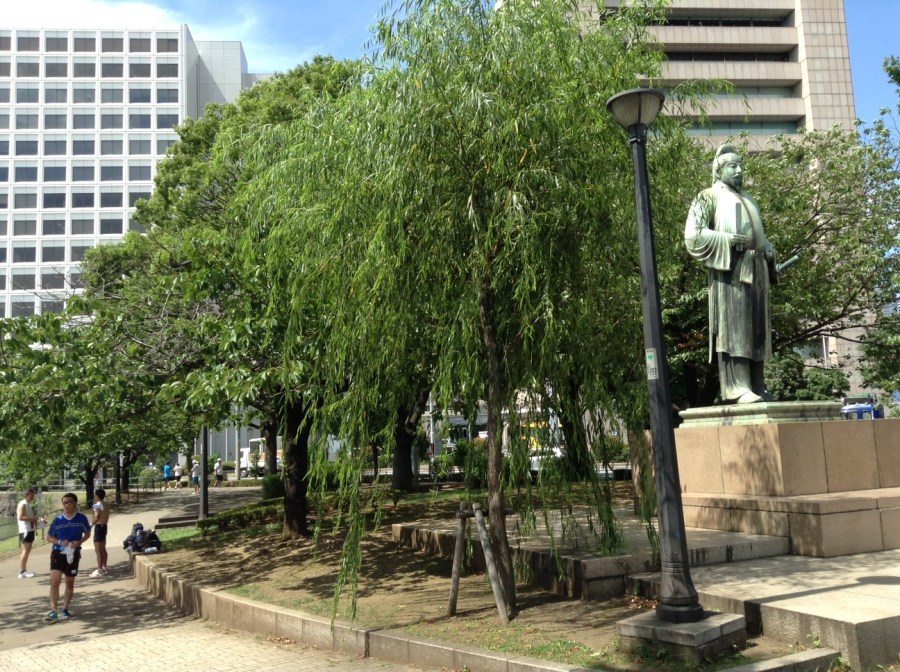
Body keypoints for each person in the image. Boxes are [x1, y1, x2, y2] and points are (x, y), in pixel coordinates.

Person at [684, 144, 777, 404]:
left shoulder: (749, 199)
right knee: (736, 329)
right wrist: (725, 240)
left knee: (758, 330)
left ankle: (758, 385)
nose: (739, 170)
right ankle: (737, 387)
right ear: (718, 170)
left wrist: (768, 248)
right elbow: (693, 235)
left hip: (756, 269)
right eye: (732, 166)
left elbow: (760, 235)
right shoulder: (707, 196)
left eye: (740, 166)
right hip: (730, 272)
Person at [46, 492, 92, 621]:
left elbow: (87, 533)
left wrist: (80, 542)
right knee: (54, 582)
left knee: (69, 582)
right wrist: (60, 542)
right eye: (64, 502)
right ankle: (53, 610)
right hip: (58, 553)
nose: (66, 505)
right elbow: (49, 537)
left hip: (73, 553)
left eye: (69, 502)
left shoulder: (81, 518)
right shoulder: (58, 520)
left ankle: (65, 609)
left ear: (75, 503)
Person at [17, 488, 41, 579]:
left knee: (27, 550)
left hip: (30, 529)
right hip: (25, 530)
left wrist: (37, 519)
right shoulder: (22, 504)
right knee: (25, 550)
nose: (33, 496)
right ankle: (22, 572)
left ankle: (24, 570)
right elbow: (20, 517)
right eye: (32, 494)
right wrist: (33, 519)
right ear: (27, 495)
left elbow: (28, 516)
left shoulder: (28, 504)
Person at [88, 489, 110, 578]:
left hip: (98, 527)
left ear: (97, 496)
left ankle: (100, 569)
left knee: (98, 550)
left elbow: (97, 516)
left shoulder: (97, 505)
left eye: (95, 495)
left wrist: (91, 525)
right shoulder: (106, 504)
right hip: (104, 526)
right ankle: (104, 567)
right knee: (103, 548)